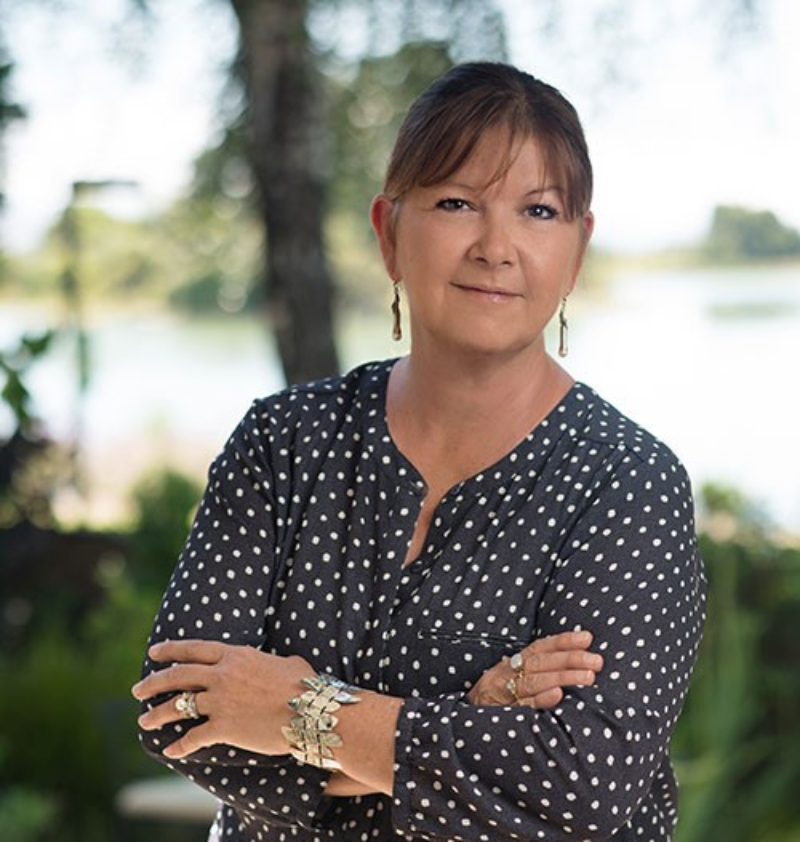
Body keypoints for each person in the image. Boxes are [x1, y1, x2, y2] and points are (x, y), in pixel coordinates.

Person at [133, 61, 706, 842]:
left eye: (538, 210)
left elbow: (581, 788)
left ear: (577, 250)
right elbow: (177, 708)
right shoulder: (284, 442)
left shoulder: (628, 482)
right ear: (388, 232)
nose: (496, 247)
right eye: (456, 203)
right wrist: (466, 720)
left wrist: (301, 711)